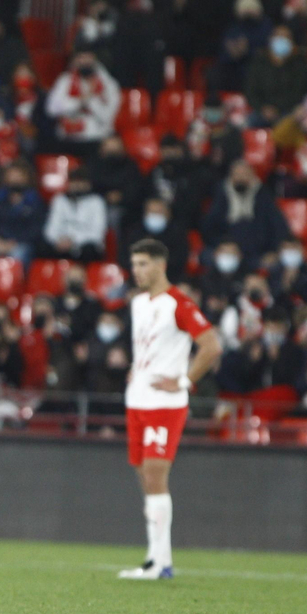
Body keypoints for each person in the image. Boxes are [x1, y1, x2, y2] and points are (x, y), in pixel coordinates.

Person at [120, 239, 222, 580]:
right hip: (137, 399)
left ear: (161, 266)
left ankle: (161, 562)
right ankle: (154, 557)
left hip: (165, 404)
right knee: (142, 477)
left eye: (143, 264)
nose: (137, 271)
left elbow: (210, 345)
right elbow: (146, 346)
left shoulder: (178, 303)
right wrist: (138, 369)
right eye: (134, 264)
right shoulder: (137, 304)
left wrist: (183, 380)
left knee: (154, 475)